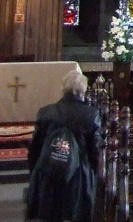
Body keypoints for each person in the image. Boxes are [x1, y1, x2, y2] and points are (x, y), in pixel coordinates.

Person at [25, 70, 100, 222]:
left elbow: (34, 148)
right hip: (79, 176)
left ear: (63, 89)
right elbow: (95, 151)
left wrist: (35, 172)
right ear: (84, 90)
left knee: (48, 216)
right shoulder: (91, 114)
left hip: (48, 170)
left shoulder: (46, 112)